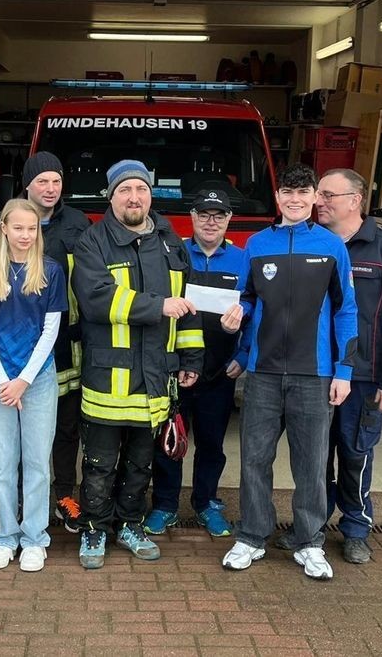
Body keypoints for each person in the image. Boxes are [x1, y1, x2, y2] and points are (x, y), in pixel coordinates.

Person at [219, 163, 358, 579]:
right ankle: (251, 536)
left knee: (311, 464)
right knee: (254, 460)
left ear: (315, 198)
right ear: (277, 198)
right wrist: (237, 315)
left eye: (303, 193)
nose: (295, 200)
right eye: (287, 193)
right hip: (262, 374)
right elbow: (246, 297)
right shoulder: (257, 244)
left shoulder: (333, 246)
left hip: (314, 374)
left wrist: (344, 370)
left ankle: (310, 541)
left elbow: (347, 310)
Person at [276, 168, 382, 564]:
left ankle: (355, 528)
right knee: (312, 457)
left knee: (356, 455)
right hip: (314, 371)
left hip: (365, 376)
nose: (317, 201)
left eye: (327, 195)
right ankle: (311, 528)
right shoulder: (303, 242)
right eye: (317, 193)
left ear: (355, 201)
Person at [70, 159, 204, 569]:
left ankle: (129, 524)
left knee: (141, 464)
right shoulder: (91, 242)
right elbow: (96, 298)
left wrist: (191, 357)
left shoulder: (171, 242)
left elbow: (189, 306)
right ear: (111, 197)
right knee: (99, 464)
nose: (134, 197)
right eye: (125, 190)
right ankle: (94, 528)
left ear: (150, 194)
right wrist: (156, 305)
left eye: (141, 190)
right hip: (108, 377)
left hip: (155, 379)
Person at [0, 152, 90, 532]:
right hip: (10, 354)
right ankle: (16, 510)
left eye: (56, 180)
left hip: (64, 345)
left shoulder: (79, 225)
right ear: (27, 185)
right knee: (12, 439)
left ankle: (63, 496)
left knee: (63, 429)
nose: (50, 188)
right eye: (42, 181)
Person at [0, 198, 69, 572]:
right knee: (1, 462)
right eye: (19, 228)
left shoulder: (50, 271)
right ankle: (6, 536)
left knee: (36, 463)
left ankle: (34, 538)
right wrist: (3, 380)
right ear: (5, 229)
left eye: (33, 228)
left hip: (38, 379)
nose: (26, 235)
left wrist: (24, 380)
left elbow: (51, 331)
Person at [143, 188, 247, 538]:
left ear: (229, 220)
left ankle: (205, 503)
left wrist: (243, 354)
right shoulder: (173, 253)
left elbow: (257, 310)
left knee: (212, 444)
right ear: (191, 217)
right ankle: (165, 505)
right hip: (176, 368)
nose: (211, 221)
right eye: (204, 214)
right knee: (169, 441)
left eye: (219, 215)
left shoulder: (242, 260)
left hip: (220, 370)